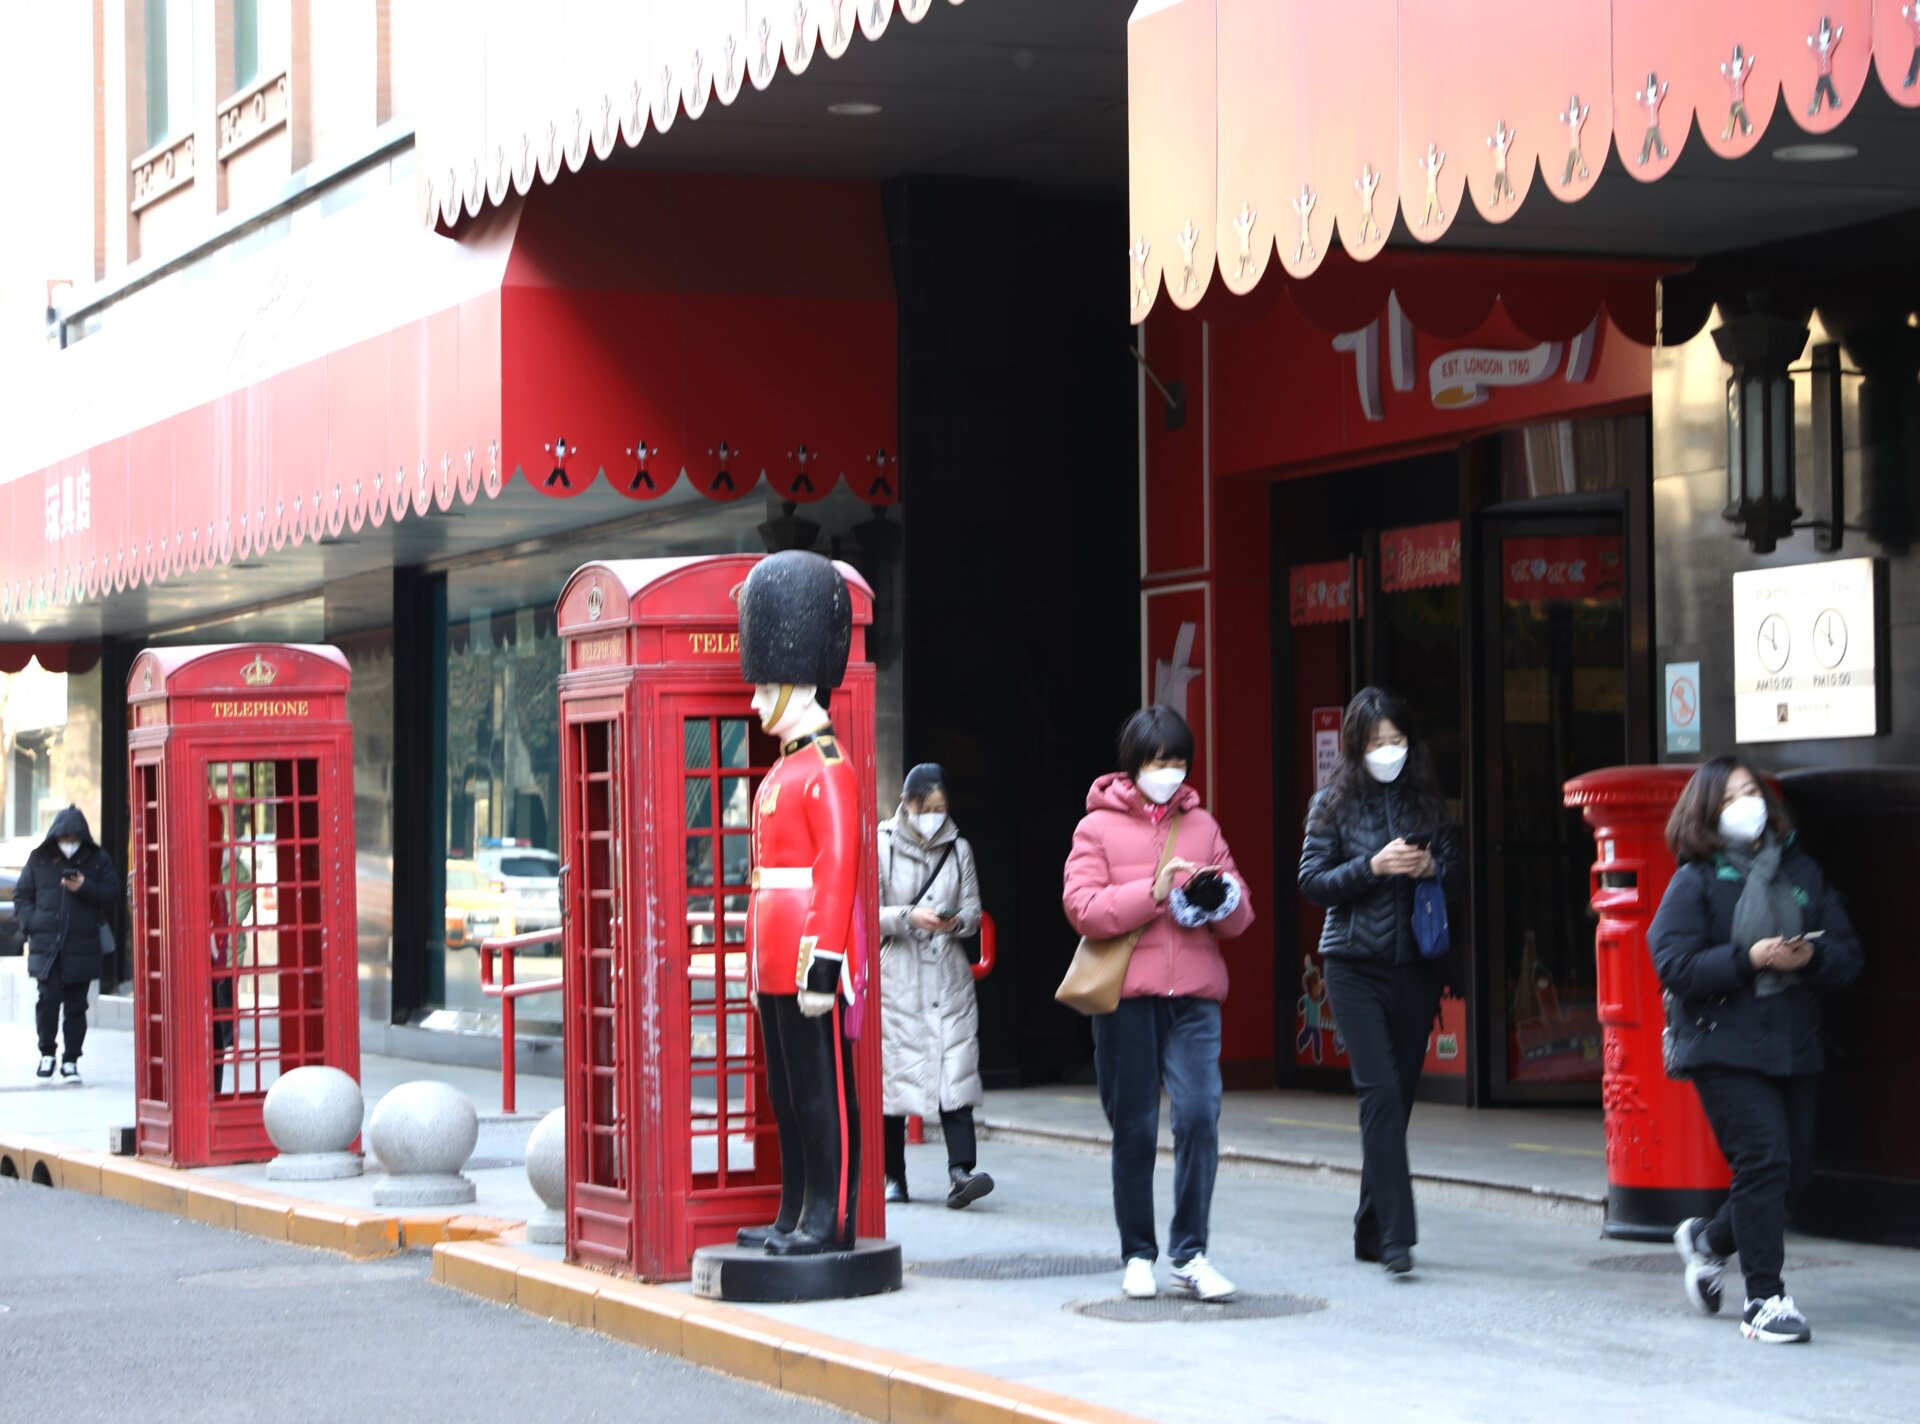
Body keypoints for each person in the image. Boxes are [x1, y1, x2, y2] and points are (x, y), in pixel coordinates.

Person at [1649, 755, 1862, 1345]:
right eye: (1730, 798)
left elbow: (1847, 953)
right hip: (1723, 1044)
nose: (1748, 804)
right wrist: (1750, 959)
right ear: (1708, 815)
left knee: (1789, 1174)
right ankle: (1764, 1299)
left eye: (1752, 792)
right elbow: (1672, 961)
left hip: (1793, 1041)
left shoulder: (1802, 872)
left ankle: (1710, 1241)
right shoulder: (1696, 879)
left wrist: (1810, 956)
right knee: (1763, 1160)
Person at [1063, 706, 1255, 1302]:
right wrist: (1154, 892)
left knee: (1200, 1115)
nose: (1168, 772)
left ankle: (1191, 1251)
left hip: (1195, 997)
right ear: (1134, 765)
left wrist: (1218, 893)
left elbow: (1242, 918)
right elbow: (1083, 908)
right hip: (1126, 998)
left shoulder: (1203, 826)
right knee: (1136, 1127)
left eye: (1177, 762)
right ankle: (1137, 1253)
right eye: (1157, 761)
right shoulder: (1095, 828)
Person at [1298, 688, 1458, 1277]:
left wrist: (1432, 867)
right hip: (1353, 965)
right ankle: (1398, 1237)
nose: (1388, 751)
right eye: (1376, 743)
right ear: (1356, 748)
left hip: (1415, 966)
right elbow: (1312, 881)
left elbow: (1459, 869)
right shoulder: (1331, 805)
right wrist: (1373, 867)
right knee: (1380, 1093)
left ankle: (1370, 1225)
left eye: (1396, 740)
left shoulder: (1426, 803)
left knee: (1398, 1100)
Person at [734, 550, 866, 1258]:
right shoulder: (788, 768)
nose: (756, 703)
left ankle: (827, 1217)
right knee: (785, 1093)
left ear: (801, 682)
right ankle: (792, 1212)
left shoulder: (829, 772)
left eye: (767, 687)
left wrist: (824, 964)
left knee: (821, 1095)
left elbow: (837, 870)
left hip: (808, 955)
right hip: (771, 952)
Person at [879, 763, 992, 1209]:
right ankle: (893, 1177)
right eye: (926, 809)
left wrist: (955, 921)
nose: (934, 816)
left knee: (955, 1073)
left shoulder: (959, 848)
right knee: (894, 1078)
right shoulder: (882, 845)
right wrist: (908, 917)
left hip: (948, 974)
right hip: (899, 977)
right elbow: (867, 912)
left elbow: (973, 910)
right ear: (907, 804)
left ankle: (961, 1172)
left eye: (941, 809)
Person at [14, 806, 122, 1084]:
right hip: (47, 945)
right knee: (47, 1001)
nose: (69, 843)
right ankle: (47, 1053)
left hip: (82, 945)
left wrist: (84, 886)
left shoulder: (98, 860)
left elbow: (112, 894)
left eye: (74, 838)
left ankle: (71, 1059)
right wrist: (32, 922)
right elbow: (22, 895)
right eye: (65, 838)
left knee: (76, 1006)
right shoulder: (39, 859)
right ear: (55, 837)